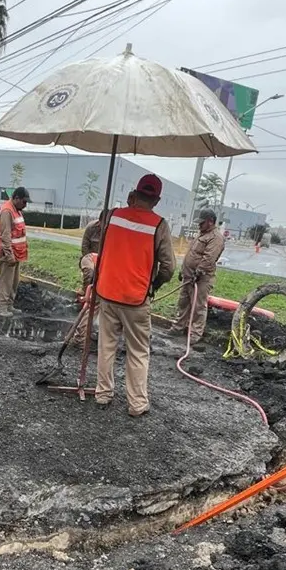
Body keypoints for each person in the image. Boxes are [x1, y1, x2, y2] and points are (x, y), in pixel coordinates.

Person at [93, 174, 175, 417]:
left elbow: (102, 249)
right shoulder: (159, 225)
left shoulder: (114, 216)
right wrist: (154, 284)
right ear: (157, 200)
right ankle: (137, 404)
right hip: (136, 298)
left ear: (135, 194)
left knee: (106, 346)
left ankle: (102, 393)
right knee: (138, 351)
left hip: (107, 293)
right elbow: (169, 267)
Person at [70, 192, 135, 347]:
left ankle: (106, 334)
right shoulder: (92, 228)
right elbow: (85, 248)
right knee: (94, 299)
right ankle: (80, 338)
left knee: (110, 304)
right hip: (91, 261)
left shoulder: (116, 232)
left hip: (109, 269)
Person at [172, 208, 226, 340]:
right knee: (183, 303)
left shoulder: (216, 238)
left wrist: (199, 272)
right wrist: (183, 271)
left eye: (202, 223)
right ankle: (178, 327)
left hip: (201, 279)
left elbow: (209, 258)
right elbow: (192, 253)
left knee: (198, 306)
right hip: (189, 276)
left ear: (211, 222)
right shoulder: (201, 234)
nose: (199, 225)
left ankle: (195, 335)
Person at [0, 186, 29, 317]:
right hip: (7, 254)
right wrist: (9, 255)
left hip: (17, 254)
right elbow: (6, 236)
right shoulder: (7, 211)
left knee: (14, 281)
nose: (25, 205)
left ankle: (9, 304)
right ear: (16, 198)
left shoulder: (17, 210)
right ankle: (1, 307)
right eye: (24, 202)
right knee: (5, 281)